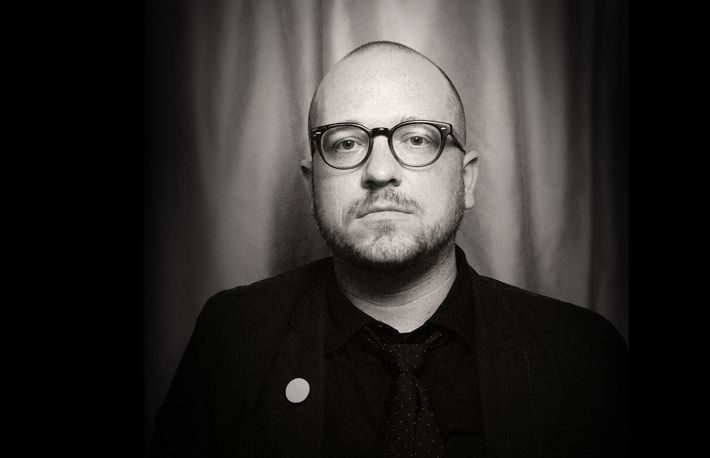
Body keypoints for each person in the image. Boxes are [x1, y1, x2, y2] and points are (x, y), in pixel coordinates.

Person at [150, 40, 628, 457]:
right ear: (311, 181)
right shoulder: (231, 341)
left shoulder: (584, 356)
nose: (380, 170)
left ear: (467, 180)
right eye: (344, 143)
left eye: (418, 138)